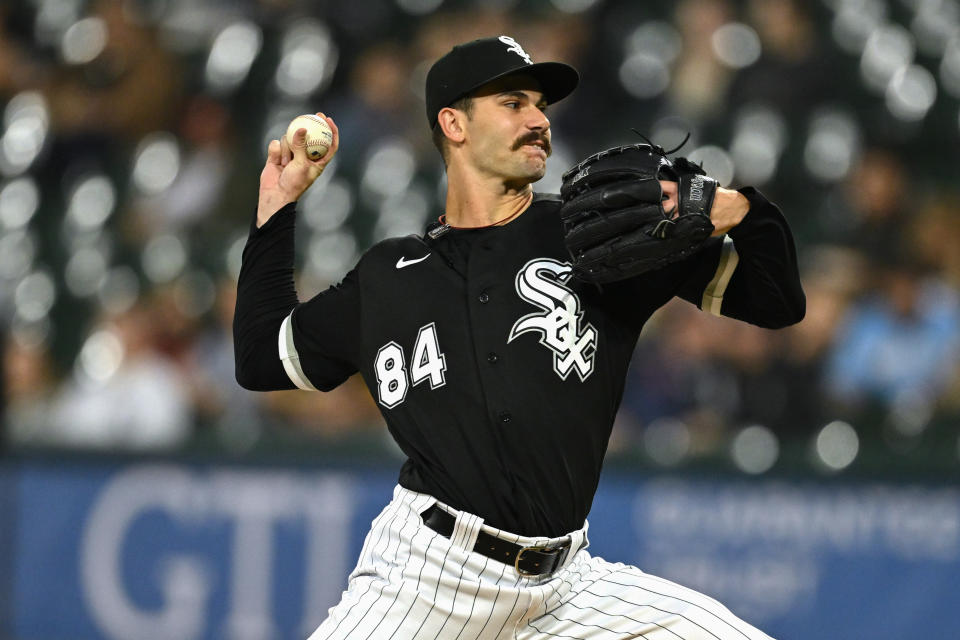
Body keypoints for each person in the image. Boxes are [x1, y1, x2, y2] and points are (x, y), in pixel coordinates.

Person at [234, 35, 804, 640]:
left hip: (567, 589)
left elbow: (776, 302)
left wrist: (743, 209)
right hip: (426, 582)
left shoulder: (596, 237)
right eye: (513, 103)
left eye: (541, 106)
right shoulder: (387, 278)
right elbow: (261, 358)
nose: (538, 121)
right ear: (453, 123)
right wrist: (276, 207)